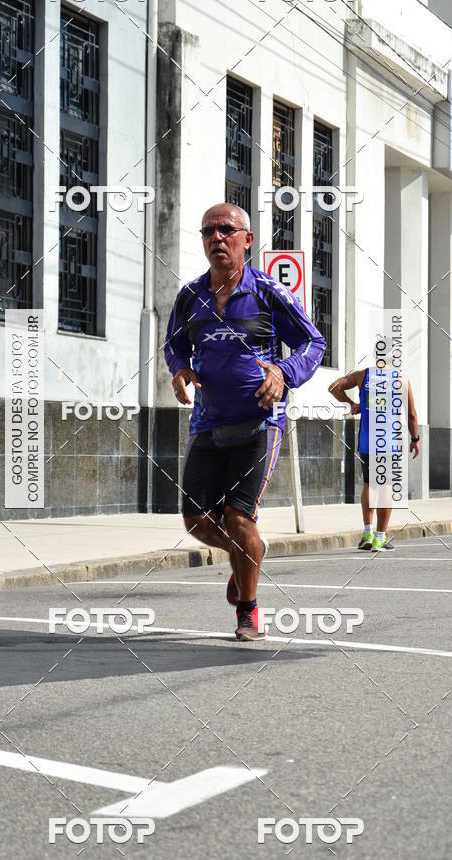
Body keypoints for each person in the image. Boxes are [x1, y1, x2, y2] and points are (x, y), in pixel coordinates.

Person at [164, 203, 326, 641]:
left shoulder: (269, 292)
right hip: (207, 422)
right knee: (196, 519)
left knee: (238, 517)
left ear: (247, 240)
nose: (218, 238)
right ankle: (247, 554)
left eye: (227, 230)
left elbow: (313, 342)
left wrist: (284, 373)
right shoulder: (190, 296)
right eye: (209, 232)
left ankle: (248, 612)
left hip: (261, 421)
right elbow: (174, 345)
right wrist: (180, 369)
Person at [328, 368, 420, 551]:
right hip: (388, 442)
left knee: (370, 484)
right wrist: (415, 439)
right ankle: (379, 538)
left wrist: (352, 403)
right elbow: (411, 414)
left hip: (367, 441)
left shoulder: (363, 375)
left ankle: (368, 533)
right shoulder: (401, 379)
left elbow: (333, 388)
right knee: (385, 486)